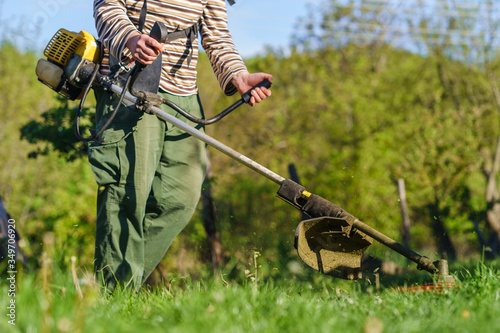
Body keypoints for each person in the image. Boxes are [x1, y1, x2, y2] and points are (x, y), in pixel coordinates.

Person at [90, 0, 272, 291]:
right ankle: (114, 297)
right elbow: (107, 6)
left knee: (181, 198)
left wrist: (238, 75)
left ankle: (116, 289)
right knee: (128, 195)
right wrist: (131, 38)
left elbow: (216, 34)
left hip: (183, 95)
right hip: (129, 82)